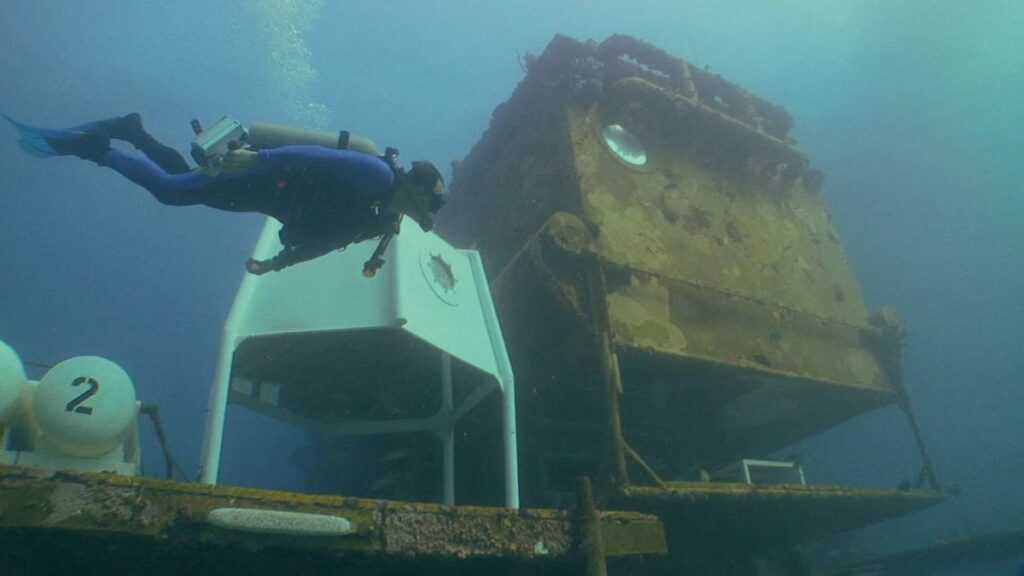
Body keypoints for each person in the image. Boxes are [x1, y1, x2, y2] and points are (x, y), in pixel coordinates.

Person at [4, 113, 446, 275]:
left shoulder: (382, 220)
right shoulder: (375, 174)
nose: (425, 214)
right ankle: (95, 149)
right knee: (172, 190)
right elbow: (312, 155)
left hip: (261, 195)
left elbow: (329, 242)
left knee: (184, 180)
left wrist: (278, 263)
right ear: (414, 188)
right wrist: (256, 158)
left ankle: (131, 130)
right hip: (261, 177)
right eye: (428, 204)